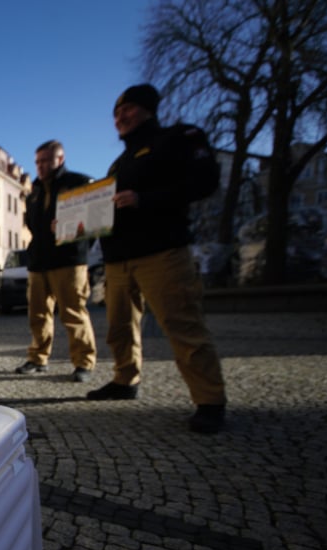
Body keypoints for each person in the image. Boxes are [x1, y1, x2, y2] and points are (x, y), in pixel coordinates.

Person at [87, 84, 227, 434]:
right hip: (118, 259)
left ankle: (209, 400)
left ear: (148, 109)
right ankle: (125, 379)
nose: (121, 117)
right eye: (117, 113)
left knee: (182, 323)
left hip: (161, 251)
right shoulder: (119, 162)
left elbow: (205, 181)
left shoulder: (177, 138)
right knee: (119, 327)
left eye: (128, 109)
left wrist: (145, 199)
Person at [16, 140, 97, 382]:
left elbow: (96, 218)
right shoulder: (34, 192)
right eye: (37, 162)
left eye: (45, 161)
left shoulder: (79, 183)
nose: (40, 166)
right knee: (38, 315)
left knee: (73, 313)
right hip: (39, 262)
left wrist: (72, 232)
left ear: (59, 159)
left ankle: (84, 362)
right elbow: (32, 226)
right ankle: (38, 358)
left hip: (69, 260)